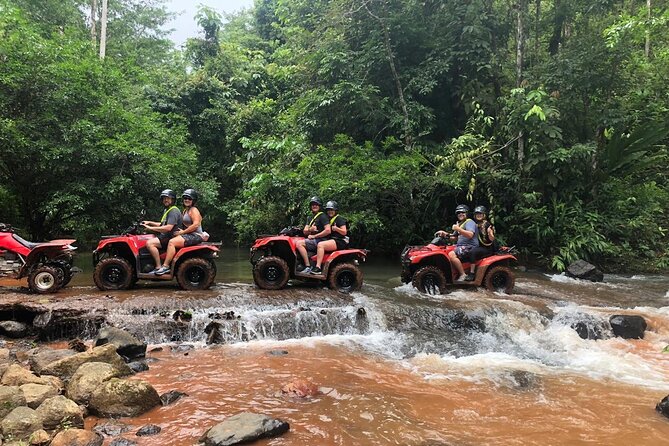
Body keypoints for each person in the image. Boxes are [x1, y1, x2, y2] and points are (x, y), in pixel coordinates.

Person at [154, 189, 210, 276]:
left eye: (189, 199)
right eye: (185, 198)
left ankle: (165, 266)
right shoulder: (185, 211)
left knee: (172, 242)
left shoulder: (194, 210)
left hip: (196, 235)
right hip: (189, 234)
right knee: (170, 239)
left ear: (193, 200)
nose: (187, 200)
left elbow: (196, 225)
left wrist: (183, 232)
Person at [141, 189, 183, 274]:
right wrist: (149, 222)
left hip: (170, 237)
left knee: (150, 243)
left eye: (168, 198)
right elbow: (162, 224)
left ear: (173, 199)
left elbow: (168, 228)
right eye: (164, 198)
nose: (165, 200)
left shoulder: (173, 211)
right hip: (166, 236)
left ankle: (158, 267)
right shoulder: (167, 210)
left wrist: (150, 228)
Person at [436, 204, 478, 282]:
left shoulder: (469, 222)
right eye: (458, 213)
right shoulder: (460, 223)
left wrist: (458, 229)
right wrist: (445, 234)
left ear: (467, 213)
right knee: (445, 251)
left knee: (451, 254)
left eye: (463, 212)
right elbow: (454, 237)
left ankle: (463, 274)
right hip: (460, 246)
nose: (460, 214)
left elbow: (470, 235)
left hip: (470, 246)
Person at [311, 200, 348, 275]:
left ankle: (318, 268)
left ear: (335, 210)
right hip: (332, 240)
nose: (329, 212)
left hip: (339, 241)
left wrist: (336, 229)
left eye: (331, 210)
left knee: (321, 245)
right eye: (328, 210)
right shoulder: (329, 219)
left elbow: (344, 232)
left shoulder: (339, 219)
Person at [295, 196, 330, 273]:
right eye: (313, 204)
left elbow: (328, 230)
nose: (314, 206)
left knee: (299, 244)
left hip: (321, 240)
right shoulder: (310, 217)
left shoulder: (323, 216)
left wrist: (315, 235)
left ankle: (307, 266)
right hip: (313, 240)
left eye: (316, 204)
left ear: (319, 206)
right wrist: (310, 229)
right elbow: (305, 231)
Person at [464, 205, 496, 281]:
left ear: (484, 214)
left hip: (486, 248)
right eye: (477, 214)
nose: (479, 215)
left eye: (480, 214)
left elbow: (491, 239)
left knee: (472, 252)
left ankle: (472, 273)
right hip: (477, 245)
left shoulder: (488, 225)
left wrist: (490, 233)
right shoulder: (474, 224)